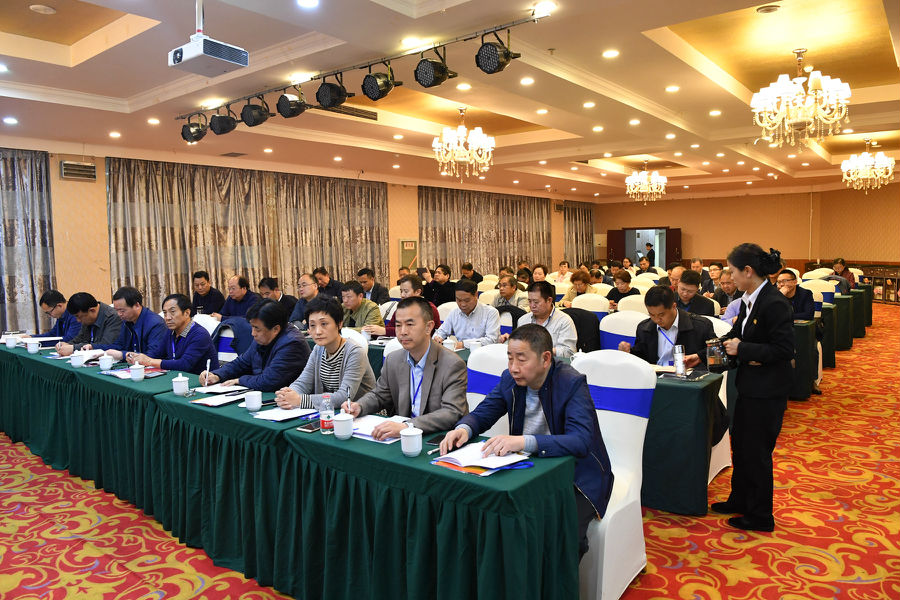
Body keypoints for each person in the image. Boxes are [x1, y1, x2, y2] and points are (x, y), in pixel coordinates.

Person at [440, 324, 614, 559]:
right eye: (510, 358)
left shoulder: (571, 383)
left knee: (563, 534)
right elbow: (485, 412)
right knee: (490, 512)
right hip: (529, 467)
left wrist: (523, 442)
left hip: (576, 475)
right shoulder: (510, 379)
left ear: (545, 358)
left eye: (521, 359)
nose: (513, 367)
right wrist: (464, 428)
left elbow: (580, 441)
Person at [712, 244, 794, 533]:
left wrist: (743, 349)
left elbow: (784, 349)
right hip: (750, 386)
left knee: (757, 452)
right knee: (742, 446)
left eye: (733, 271)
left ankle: (760, 515)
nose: (730, 277)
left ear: (748, 271)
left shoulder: (774, 303)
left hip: (767, 391)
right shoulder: (749, 299)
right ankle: (740, 499)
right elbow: (735, 335)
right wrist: (702, 354)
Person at [342, 297, 468, 439]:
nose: (402, 332)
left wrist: (407, 426)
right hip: (401, 436)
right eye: (398, 325)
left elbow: (451, 412)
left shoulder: (452, 364)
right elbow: (380, 395)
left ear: (429, 327)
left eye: (409, 324)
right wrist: (359, 406)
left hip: (439, 438)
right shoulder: (393, 359)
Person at [275, 296, 376, 409]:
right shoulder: (318, 349)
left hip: (364, 414)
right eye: (312, 325)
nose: (318, 331)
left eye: (324, 324)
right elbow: (303, 383)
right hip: (332, 413)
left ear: (339, 324)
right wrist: (288, 394)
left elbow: (344, 397)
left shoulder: (355, 352)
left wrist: (299, 400)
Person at [201, 299, 310, 391]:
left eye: (257, 328)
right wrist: (217, 375)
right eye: (252, 327)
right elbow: (242, 362)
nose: (253, 333)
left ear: (275, 329)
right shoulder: (263, 337)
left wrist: (239, 380)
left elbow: (270, 381)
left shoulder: (292, 343)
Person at [618, 285, 714, 367]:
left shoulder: (701, 326)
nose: (656, 320)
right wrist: (629, 353)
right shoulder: (644, 328)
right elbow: (642, 357)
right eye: (652, 315)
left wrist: (699, 356)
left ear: (673, 306)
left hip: (688, 378)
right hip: (656, 377)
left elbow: (716, 351)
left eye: (661, 315)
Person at [126, 293, 218, 374]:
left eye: (172, 312)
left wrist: (149, 361)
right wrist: (138, 358)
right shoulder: (170, 332)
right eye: (165, 313)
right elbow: (156, 354)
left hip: (202, 383)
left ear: (187, 313)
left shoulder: (200, 334)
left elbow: (184, 364)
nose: (167, 317)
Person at [91, 286, 168, 362]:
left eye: (122, 311)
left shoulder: (155, 324)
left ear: (137, 305)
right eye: (116, 310)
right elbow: (119, 345)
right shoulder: (127, 321)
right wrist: (93, 347)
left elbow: (151, 356)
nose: (119, 314)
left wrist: (123, 355)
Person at [509, 281, 577, 358]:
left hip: (554, 363)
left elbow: (568, 352)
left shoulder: (564, 321)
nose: (532, 306)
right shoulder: (523, 320)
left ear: (549, 300)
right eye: (530, 301)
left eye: (536, 302)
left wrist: (539, 352)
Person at [364, 274, 440, 338]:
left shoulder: (429, 308)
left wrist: (385, 331)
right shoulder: (401, 308)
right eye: (401, 291)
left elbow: (416, 332)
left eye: (406, 291)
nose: (402, 295)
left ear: (418, 292)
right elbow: (390, 326)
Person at [433, 279, 500, 349]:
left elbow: (491, 340)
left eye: (467, 300)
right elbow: (441, 331)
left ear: (476, 295)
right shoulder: (454, 313)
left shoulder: (490, 313)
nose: (463, 304)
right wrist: (438, 337)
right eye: (459, 300)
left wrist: (464, 344)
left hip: (483, 352)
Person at [55, 292, 122, 356]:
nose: (78, 320)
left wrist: (74, 348)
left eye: (79, 317)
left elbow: (106, 345)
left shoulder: (113, 317)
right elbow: (80, 338)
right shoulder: (87, 317)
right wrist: (67, 344)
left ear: (92, 310)